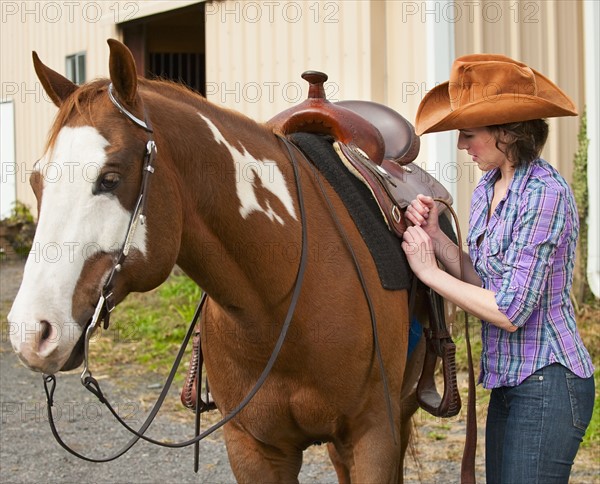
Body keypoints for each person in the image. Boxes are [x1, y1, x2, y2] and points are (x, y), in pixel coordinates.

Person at [401, 54, 595, 483]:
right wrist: (437, 239)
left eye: (468, 134)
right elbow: (487, 283)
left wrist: (429, 272)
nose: (461, 146)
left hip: (548, 382)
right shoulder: (490, 186)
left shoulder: (545, 194)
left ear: (507, 133)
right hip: (511, 383)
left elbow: (510, 311)